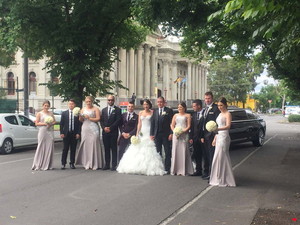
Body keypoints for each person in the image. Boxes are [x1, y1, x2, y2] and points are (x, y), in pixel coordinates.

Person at [117, 99, 165, 176]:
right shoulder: (140, 113)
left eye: (147, 104)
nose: (145, 106)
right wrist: (137, 134)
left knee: (149, 149)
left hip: (149, 132)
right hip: (142, 132)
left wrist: (152, 134)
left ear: (149, 105)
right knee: (137, 149)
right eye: (144, 104)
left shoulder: (153, 112)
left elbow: (154, 124)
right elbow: (139, 124)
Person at [209, 97, 236, 187]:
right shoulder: (219, 114)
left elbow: (228, 126)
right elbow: (218, 127)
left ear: (225, 105)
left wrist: (217, 129)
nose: (220, 107)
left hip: (224, 137)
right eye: (218, 105)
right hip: (219, 136)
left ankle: (224, 179)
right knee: (217, 157)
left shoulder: (228, 114)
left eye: (221, 105)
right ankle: (218, 177)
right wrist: (215, 137)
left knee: (222, 157)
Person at [75, 96, 103, 170]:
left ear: (92, 101)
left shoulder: (96, 109)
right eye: (86, 102)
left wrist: (89, 118)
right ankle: (86, 162)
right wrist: (80, 116)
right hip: (85, 128)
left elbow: (98, 118)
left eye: (89, 101)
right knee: (86, 144)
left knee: (94, 143)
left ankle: (95, 162)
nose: (88, 103)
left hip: (93, 128)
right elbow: (80, 120)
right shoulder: (83, 109)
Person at [150, 96, 174, 174]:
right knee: (158, 151)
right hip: (157, 135)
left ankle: (167, 168)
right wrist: (151, 134)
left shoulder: (169, 111)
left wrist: (171, 133)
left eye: (161, 102)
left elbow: (172, 123)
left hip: (166, 135)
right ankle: (160, 167)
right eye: (158, 102)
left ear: (164, 103)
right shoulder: (155, 111)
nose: (159, 103)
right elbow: (152, 123)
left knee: (167, 152)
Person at [170, 102, 193, 176]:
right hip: (176, 135)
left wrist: (182, 132)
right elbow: (172, 125)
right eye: (178, 107)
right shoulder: (175, 115)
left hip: (184, 134)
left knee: (184, 150)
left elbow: (188, 126)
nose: (179, 109)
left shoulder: (188, 115)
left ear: (184, 108)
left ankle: (184, 169)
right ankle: (175, 169)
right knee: (175, 151)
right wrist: (175, 131)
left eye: (181, 107)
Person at [32, 100, 56, 170]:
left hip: (50, 131)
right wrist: (45, 123)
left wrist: (51, 123)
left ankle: (48, 164)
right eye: (45, 106)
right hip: (42, 131)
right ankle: (38, 164)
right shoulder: (39, 113)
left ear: (49, 106)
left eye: (48, 106)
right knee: (41, 146)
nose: (46, 107)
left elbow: (54, 121)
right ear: (43, 106)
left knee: (49, 146)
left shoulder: (51, 113)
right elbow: (36, 123)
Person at [201, 91, 220, 180]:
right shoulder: (205, 109)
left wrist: (214, 135)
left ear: (212, 98)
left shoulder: (216, 108)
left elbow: (217, 123)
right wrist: (202, 136)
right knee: (205, 155)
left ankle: (212, 174)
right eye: (206, 98)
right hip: (204, 136)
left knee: (211, 155)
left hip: (211, 136)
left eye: (209, 98)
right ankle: (206, 172)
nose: (207, 100)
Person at [100, 95, 122, 170]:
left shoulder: (118, 110)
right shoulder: (103, 110)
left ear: (114, 100)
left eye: (111, 100)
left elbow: (118, 120)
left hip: (113, 132)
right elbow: (101, 120)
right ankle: (107, 164)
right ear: (107, 100)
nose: (110, 101)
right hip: (105, 132)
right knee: (106, 149)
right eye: (109, 100)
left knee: (114, 149)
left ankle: (114, 165)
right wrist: (104, 128)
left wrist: (111, 128)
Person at [60, 99, 81, 169]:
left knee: (73, 149)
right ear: (68, 105)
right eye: (70, 104)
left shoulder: (77, 113)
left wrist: (78, 133)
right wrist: (61, 133)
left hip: (74, 133)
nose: (71, 105)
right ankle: (63, 163)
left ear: (74, 105)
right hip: (66, 133)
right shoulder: (64, 113)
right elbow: (61, 124)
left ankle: (72, 163)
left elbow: (79, 124)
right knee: (65, 149)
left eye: (72, 104)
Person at [189, 99, 207, 176]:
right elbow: (192, 127)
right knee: (197, 154)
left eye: (194, 106)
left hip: (203, 138)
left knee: (205, 155)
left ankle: (206, 171)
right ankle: (198, 170)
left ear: (199, 106)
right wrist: (191, 138)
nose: (193, 108)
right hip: (195, 138)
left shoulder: (205, 113)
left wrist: (203, 136)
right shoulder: (194, 115)